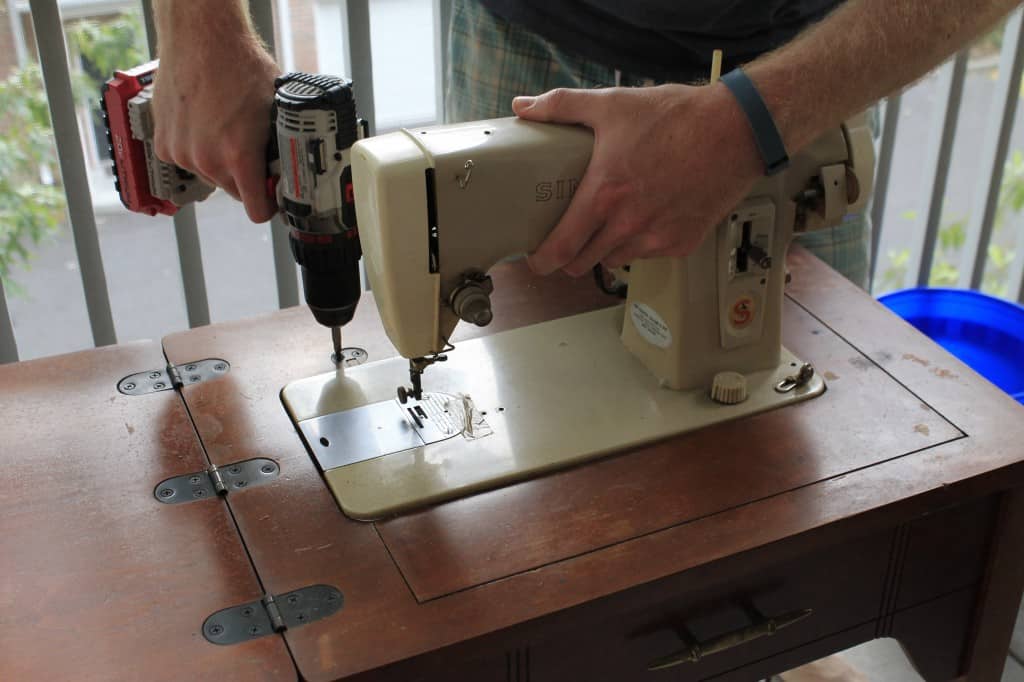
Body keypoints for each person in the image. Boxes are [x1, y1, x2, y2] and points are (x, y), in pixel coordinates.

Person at [152, 0, 1020, 290]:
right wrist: (198, 25)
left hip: (791, 74)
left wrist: (745, 125)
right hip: (518, 34)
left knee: (791, 465)